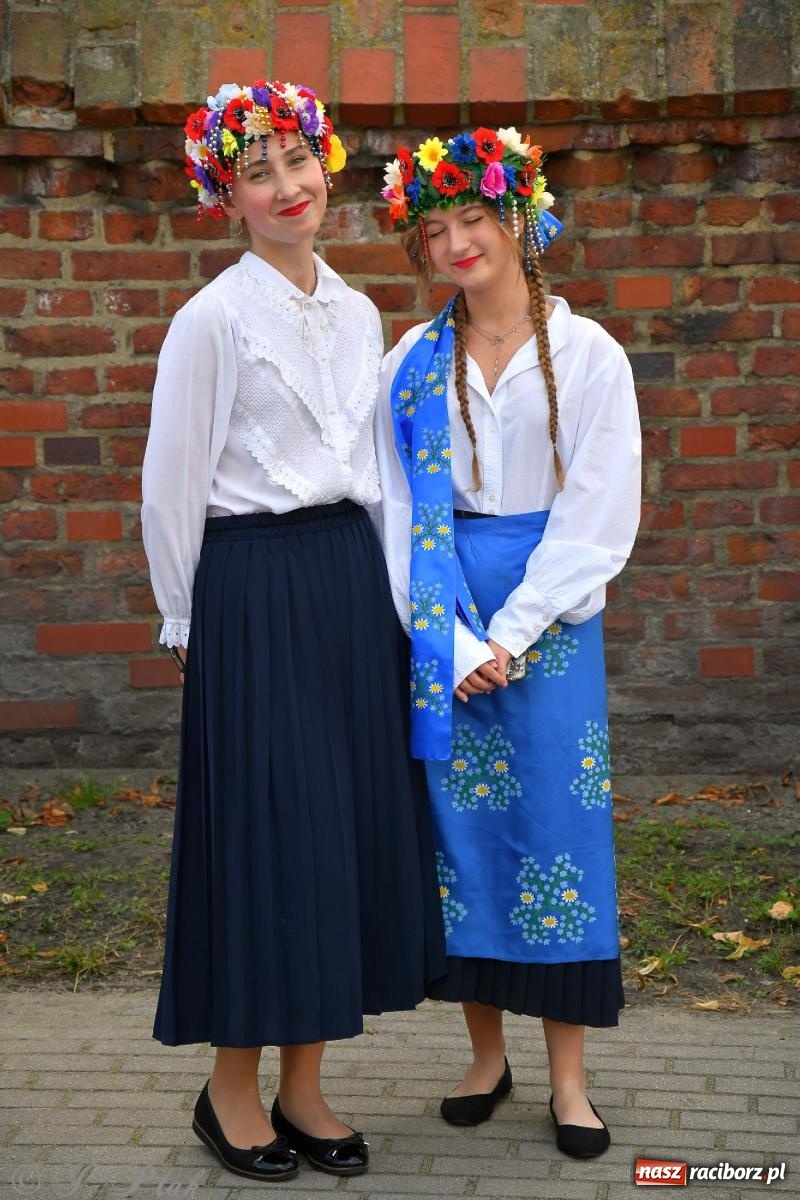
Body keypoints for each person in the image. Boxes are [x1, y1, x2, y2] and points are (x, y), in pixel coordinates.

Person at [141, 80, 445, 1184]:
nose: (283, 186)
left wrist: (402, 608)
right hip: (250, 589)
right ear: (226, 195)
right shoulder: (210, 321)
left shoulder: (361, 314)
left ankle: (304, 1086)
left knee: (337, 840)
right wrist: (187, 619)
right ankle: (228, 1093)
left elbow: (377, 480)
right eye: (253, 169)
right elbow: (171, 482)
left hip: (344, 588)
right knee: (266, 838)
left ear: (327, 167)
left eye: (295, 161)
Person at [375, 126, 641, 1158]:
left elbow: (598, 511)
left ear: (515, 217)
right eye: (433, 229)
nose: (454, 243)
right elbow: (392, 511)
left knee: (555, 830)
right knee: (458, 838)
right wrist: (444, 639)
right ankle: (484, 1056)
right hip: (443, 614)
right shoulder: (408, 364)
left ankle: (568, 1080)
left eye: (471, 218)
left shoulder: (585, 355)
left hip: (550, 622)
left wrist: (514, 630)